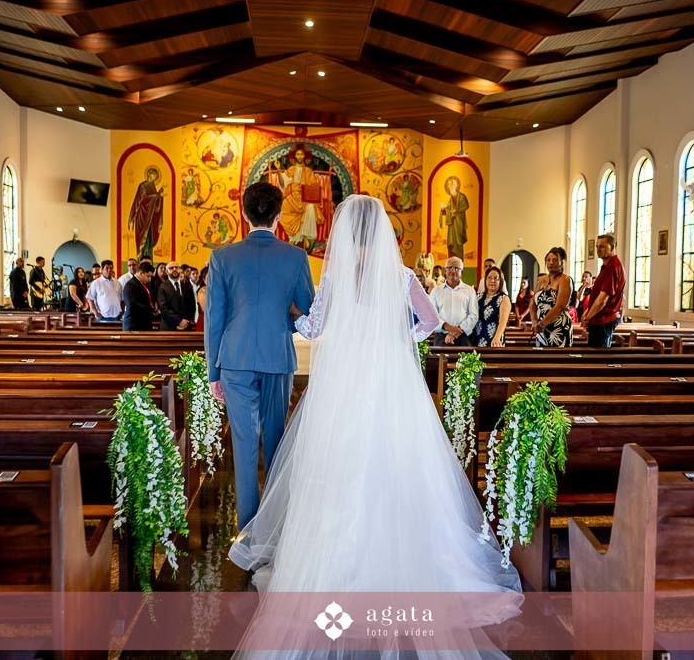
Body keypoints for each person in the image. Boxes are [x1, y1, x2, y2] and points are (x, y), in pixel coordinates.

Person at [228, 194, 520, 625]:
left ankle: (336, 562)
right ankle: (398, 554)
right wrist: (400, 339)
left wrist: (292, 318)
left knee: (340, 463)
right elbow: (431, 323)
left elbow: (314, 325)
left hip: (344, 383)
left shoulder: (337, 277)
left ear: (347, 232)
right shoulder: (400, 276)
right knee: (393, 460)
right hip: (388, 381)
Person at [206, 182, 315, 529]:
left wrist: (213, 373)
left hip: (234, 359)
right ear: (280, 216)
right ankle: (273, 524)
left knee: (243, 443)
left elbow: (214, 320)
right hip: (277, 357)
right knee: (275, 439)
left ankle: (247, 529)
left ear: (244, 213)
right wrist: (285, 324)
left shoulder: (222, 257)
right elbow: (310, 311)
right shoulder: (296, 257)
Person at [270, 144, 324, 249]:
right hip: (293, 197)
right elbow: (283, 183)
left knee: (310, 209)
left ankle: (306, 239)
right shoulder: (291, 170)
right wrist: (278, 169)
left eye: (301, 154)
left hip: (305, 198)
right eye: (298, 154)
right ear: (295, 156)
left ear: (305, 156)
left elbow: (314, 187)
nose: (299, 156)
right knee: (282, 210)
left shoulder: (308, 172)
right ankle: (294, 239)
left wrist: (305, 188)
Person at [582, 234, 627, 348]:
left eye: (602, 246)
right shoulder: (607, 266)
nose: (598, 249)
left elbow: (602, 300)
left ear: (612, 247)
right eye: (597, 246)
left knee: (597, 359)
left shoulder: (613, 267)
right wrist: (588, 311)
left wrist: (587, 318)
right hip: (599, 319)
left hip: (603, 320)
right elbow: (597, 295)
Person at [429, 256, 478, 346]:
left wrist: (457, 331)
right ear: (445, 271)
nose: (453, 271)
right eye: (450, 268)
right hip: (441, 336)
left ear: (462, 272)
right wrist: (448, 327)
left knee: (464, 360)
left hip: (463, 336)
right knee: (439, 359)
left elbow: (474, 315)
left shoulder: (469, 291)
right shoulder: (436, 291)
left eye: (456, 268)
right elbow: (432, 315)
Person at [530, 247, 573, 347]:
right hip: (540, 328)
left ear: (561, 262)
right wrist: (534, 322)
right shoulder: (542, 280)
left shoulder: (565, 280)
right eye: (548, 260)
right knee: (540, 359)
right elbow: (532, 303)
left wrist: (542, 324)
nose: (551, 263)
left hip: (559, 326)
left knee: (557, 360)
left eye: (555, 260)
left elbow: (560, 306)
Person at [128, 167, 164, 260]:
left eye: (155, 177)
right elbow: (141, 200)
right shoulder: (143, 186)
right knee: (143, 238)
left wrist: (159, 196)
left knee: (149, 239)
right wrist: (157, 195)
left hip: (150, 218)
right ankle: (142, 259)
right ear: (148, 175)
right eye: (152, 175)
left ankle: (149, 258)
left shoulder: (152, 186)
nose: (153, 178)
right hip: (142, 216)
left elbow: (156, 208)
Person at [472, 266, 512, 347]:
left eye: (496, 278)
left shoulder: (503, 298)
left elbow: (503, 322)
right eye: (489, 278)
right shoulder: (479, 296)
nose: (492, 281)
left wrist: (497, 337)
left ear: (500, 281)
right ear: (485, 280)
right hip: (477, 339)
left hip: (493, 340)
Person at [157, 260, 195, 331]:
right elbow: (163, 308)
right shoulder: (162, 287)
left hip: (186, 327)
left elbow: (192, 306)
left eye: (176, 267)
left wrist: (186, 321)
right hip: (169, 327)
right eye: (171, 268)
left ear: (180, 270)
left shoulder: (187, 287)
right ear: (167, 271)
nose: (174, 269)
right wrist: (179, 321)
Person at [439, 175, 469, 260]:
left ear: (456, 185)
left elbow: (465, 206)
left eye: (452, 184)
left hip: (459, 224)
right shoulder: (450, 199)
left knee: (458, 244)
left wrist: (455, 211)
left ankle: (459, 263)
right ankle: (451, 262)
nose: (451, 186)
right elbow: (448, 211)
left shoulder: (462, 197)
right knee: (451, 245)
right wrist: (443, 210)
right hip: (451, 227)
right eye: (449, 185)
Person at [122, 261, 155, 331]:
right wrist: (150, 309)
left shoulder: (141, 284)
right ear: (140, 273)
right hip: (134, 324)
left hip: (142, 323)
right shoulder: (130, 285)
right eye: (148, 276)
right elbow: (132, 305)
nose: (149, 279)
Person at [195, 265, 208, 331]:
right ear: (204, 280)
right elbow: (205, 308)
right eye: (209, 279)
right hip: (205, 322)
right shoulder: (202, 291)